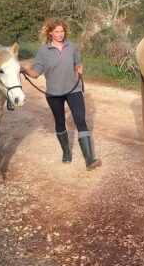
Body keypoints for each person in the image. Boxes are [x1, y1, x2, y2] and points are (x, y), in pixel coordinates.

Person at [21, 18, 102, 171]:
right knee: (60, 122)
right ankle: (66, 151)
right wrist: (24, 70)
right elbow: (36, 73)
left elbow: (78, 62)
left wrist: (79, 67)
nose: (60, 34)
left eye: (62, 31)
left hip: (74, 89)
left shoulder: (72, 47)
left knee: (80, 121)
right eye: (56, 31)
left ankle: (89, 159)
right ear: (50, 33)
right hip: (54, 93)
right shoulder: (43, 51)